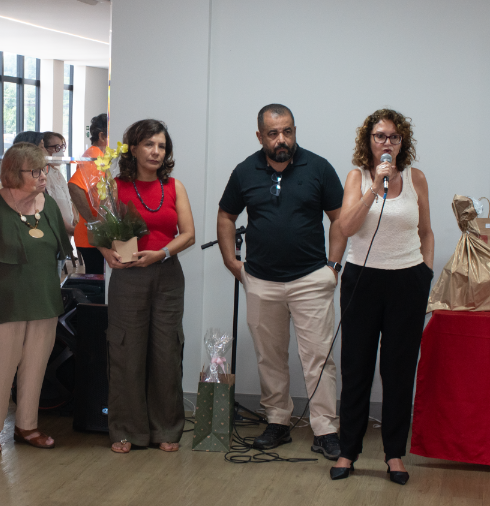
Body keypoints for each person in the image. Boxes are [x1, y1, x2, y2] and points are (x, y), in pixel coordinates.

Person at [216, 104, 346, 460]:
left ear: (294, 131)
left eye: (287, 131)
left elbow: (339, 218)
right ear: (260, 136)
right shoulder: (245, 171)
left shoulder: (318, 167)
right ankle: (277, 421)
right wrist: (231, 262)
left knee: (318, 357)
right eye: (273, 133)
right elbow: (226, 215)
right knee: (269, 357)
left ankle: (325, 428)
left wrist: (333, 267)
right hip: (261, 281)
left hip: (311, 279)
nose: (281, 139)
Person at [329, 109, 434, 484]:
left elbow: (426, 231)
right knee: (356, 368)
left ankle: (394, 454)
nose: (387, 142)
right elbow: (346, 226)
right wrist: (375, 186)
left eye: (393, 136)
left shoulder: (416, 178)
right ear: (368, 141)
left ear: (402, 142)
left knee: (399, 371)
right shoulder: (356, 177)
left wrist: (425, 274)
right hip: (362, 280)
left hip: (407, 281)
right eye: (379, 136)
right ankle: (348, 451)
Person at [0, 143, 72, 454]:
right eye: (34, 171)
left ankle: (27, 426)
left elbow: (61, 249)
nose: (42, 176)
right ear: (13, 174)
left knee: (36, 366)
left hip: (43, 300)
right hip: (2, 302)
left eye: (43, 170)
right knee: (1, 366)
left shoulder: (48, 205)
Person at [99, 119, 195, 453]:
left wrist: (161, 253)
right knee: (126, 352)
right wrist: (106, 253)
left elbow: (188, 235)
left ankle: (166, 429)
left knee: (167, 351)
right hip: (128, 277)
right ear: (134, 148)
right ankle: (126, 430)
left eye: (162, 146)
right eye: (149, 144)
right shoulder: (113, 186)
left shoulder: (175, 187)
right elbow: (99, 230)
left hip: (167, 275)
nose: (156, 152)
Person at [69, 113, 109, 274]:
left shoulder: (100, 156)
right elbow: (74, 186)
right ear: (102, 136)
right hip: (91, 237)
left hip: (96, 236)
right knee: (98, 281)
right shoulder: (94, 156)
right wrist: (93, 222)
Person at [42, 132, 77, 235]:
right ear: (44, 149)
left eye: (62, 147)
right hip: (56, 231)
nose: (61, 151)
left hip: (67, 233)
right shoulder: (44, 175)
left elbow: (68, 200)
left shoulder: (58, 174)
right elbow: (49, 206)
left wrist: (75, 220)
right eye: (57, 147)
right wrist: (67, 227)